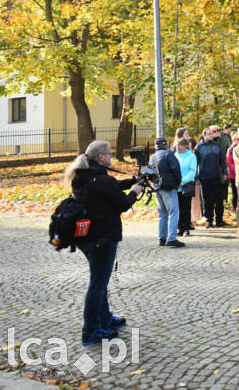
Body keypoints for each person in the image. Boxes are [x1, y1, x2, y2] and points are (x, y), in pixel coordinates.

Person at [65, 140, 143, 345]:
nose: (111, 157)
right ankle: (90, 331)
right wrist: (134, 192)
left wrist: (132, 181)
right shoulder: (101, 180)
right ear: (101, 157)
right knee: (98, 284)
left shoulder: (83, 176)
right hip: (103, 238)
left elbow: (109, 188)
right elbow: (122, 204)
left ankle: (105, 319)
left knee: (99, 280)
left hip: (86, 237)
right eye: (109, 154)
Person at [150, 137, 184, 248]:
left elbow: (149, 173)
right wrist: (177, 182)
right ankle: (171, 238)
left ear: (156, 146)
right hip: (169, 187)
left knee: (162, 213)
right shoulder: (169, 154)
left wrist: (155, 184)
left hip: (158, 188)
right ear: (165, 145)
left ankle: (162, 238)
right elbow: (176, 169)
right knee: (174, 212)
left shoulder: (152, 157)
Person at [195, 126, 228, 227]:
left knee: (219, 199)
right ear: (204, 135)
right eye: (209, 134)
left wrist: (225, 173)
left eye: (212, 133)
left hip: (216, 176)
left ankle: (219, 220)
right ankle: (209, 220)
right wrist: (196, 178)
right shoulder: (199, 148)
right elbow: (195, 163)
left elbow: (222, 160)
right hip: (204, 177)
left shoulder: (216, 145)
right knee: (207, 200)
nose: (212, 135)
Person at [174, 137, 197, 237]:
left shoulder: (191, 156)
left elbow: (192, 171)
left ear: (185, 146)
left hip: (186, 185)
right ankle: (180, 227)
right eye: (177, 145)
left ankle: (187, 227)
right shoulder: (174, 156)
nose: (177, 147)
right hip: (176, 186)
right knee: (178, 208)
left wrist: (182, 181)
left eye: (180, 145)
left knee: (186, 207)